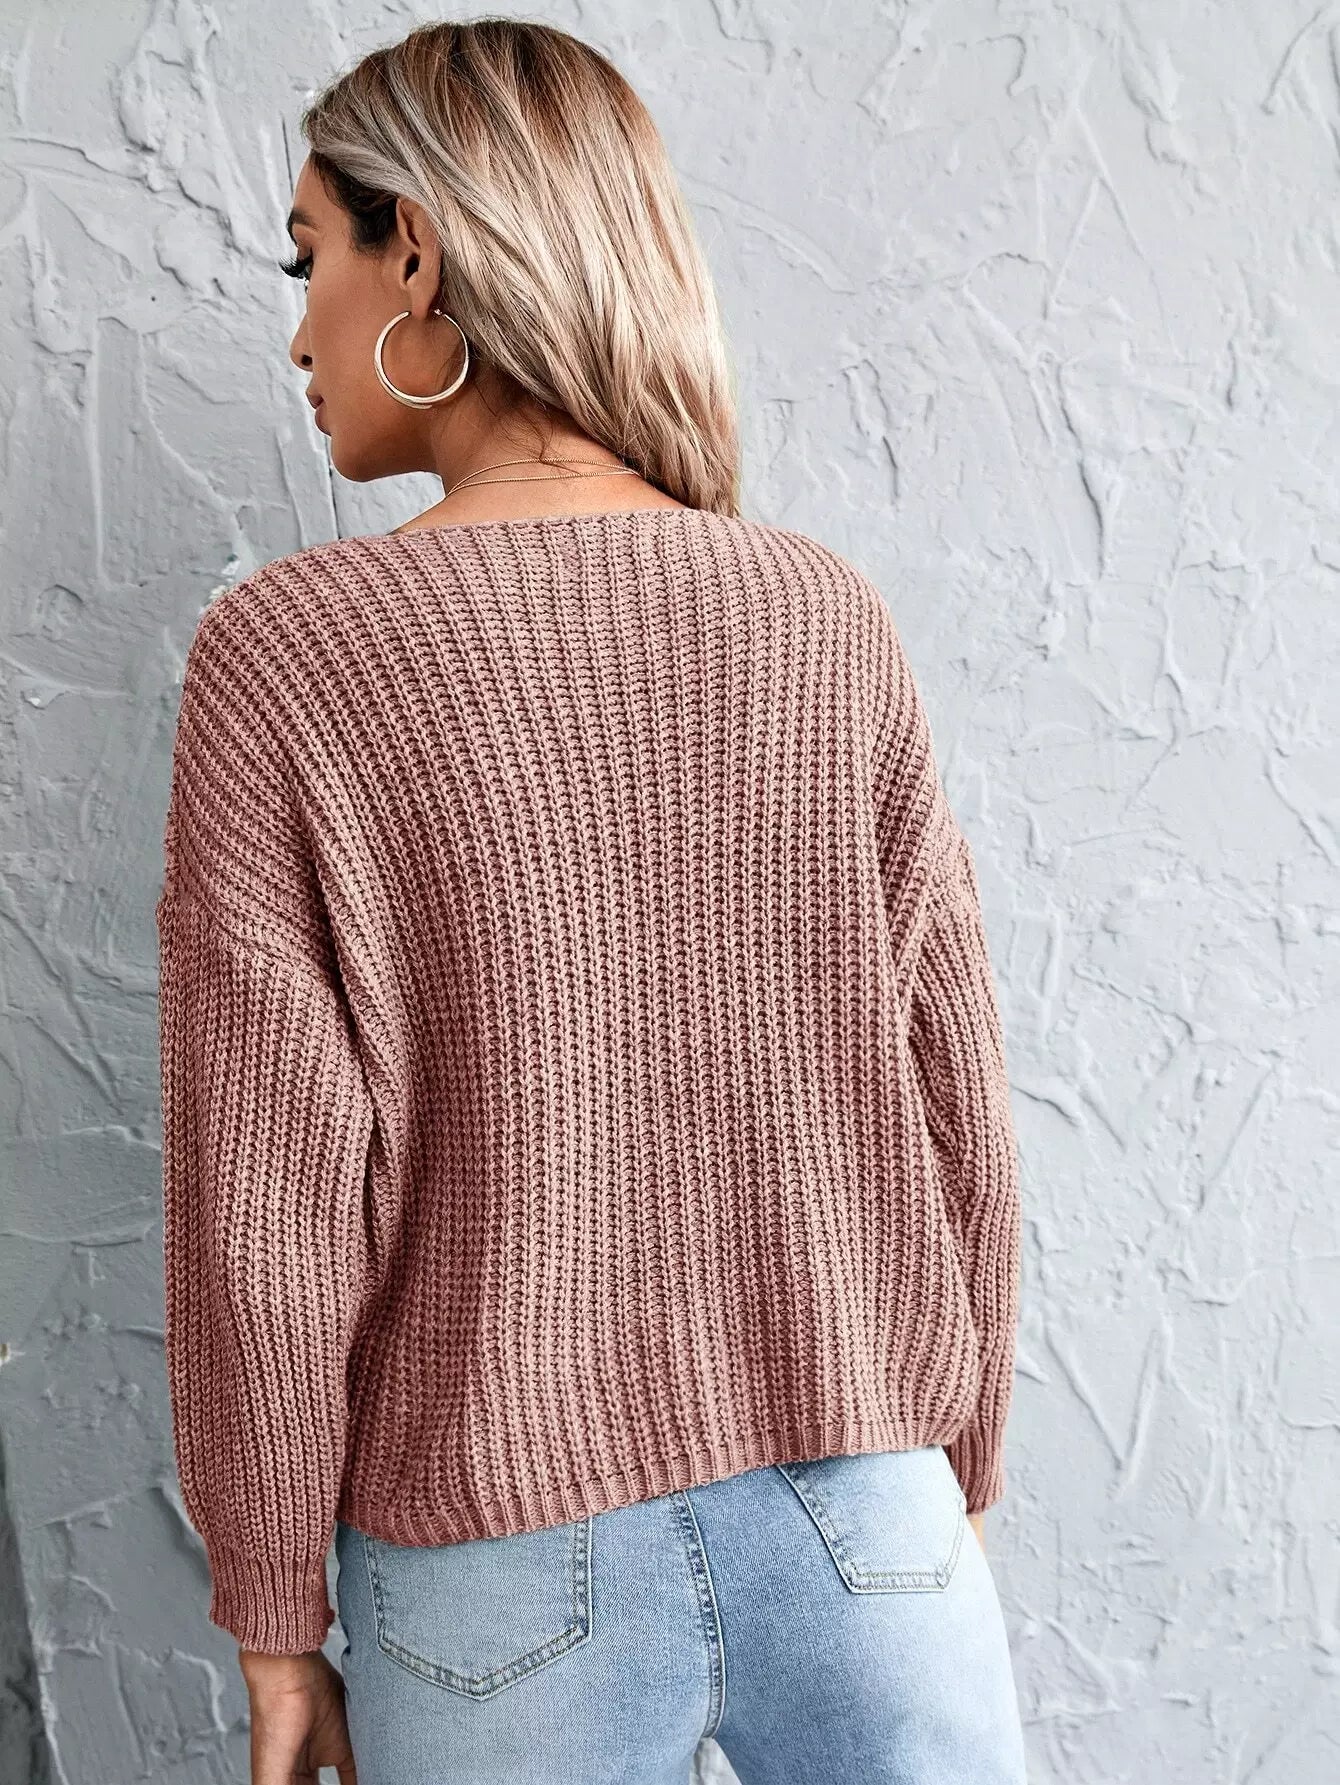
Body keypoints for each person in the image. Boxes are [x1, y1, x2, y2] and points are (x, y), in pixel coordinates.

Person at [154, 17, 1027, 1785]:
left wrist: (273, 1609)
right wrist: (953, 1467)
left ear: (419, 256)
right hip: (870, 1507)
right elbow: (961, 1100)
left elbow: (266, 1206)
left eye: (311, 259)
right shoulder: (817, 614)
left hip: (494, 1559)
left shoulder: (286, 657)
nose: (298, 329)